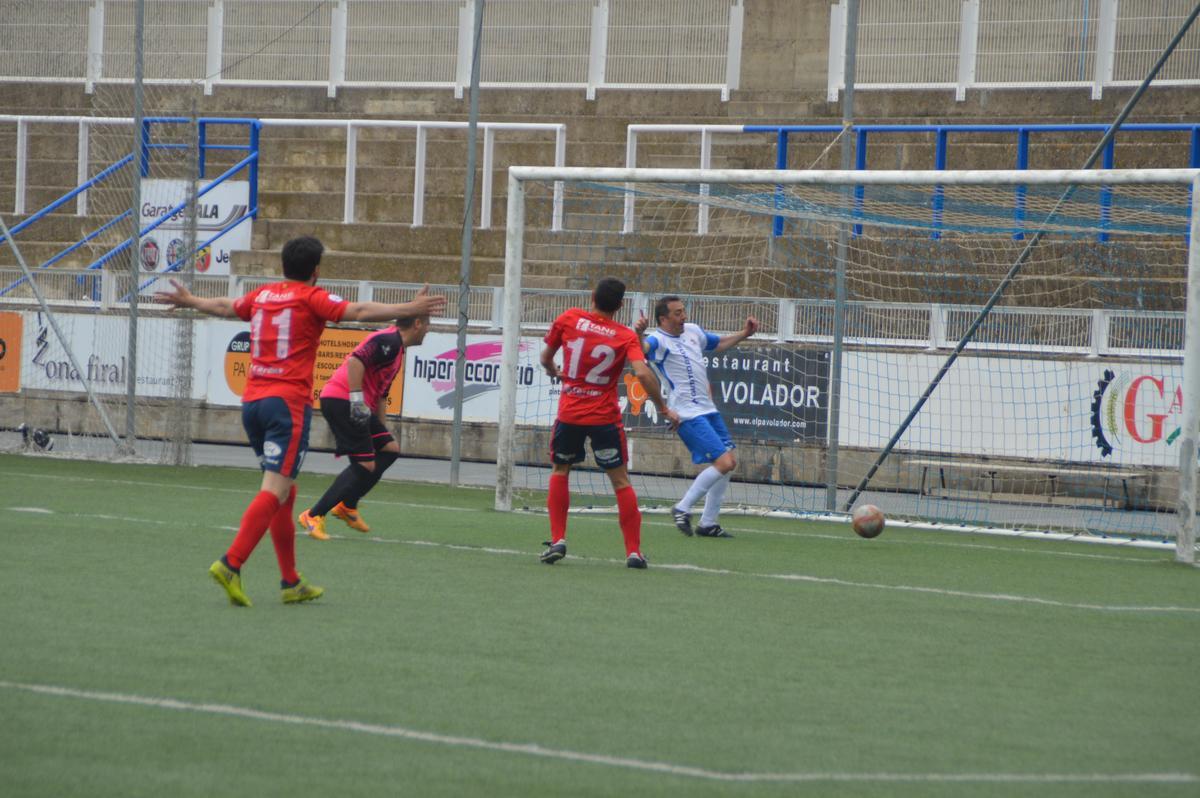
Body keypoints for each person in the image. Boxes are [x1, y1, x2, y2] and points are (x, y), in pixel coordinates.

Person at [154, 236, 446, 607]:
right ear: (316, 270)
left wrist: (191, 300)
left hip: (252, 403)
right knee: (275, 490)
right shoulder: (312, 298)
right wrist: (410, 305)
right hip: (285, 405)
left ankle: (291, 581)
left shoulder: (263, 296)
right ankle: (231, 563)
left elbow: (227, 305)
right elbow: (357, 311)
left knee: (285, 490)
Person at [539, 277, 679, 569]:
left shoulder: (569, 318)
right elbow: (641, 374)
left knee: (561, 470)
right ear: (620, 306)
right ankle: (633, 552)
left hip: (570, 415)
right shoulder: (625, 335)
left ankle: (558, 540)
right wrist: (663, 407)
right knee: (620, 481)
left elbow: (546, 357)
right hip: (604, 418)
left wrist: (553, 368)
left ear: (592, 296)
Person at [298, 313, 430, 540]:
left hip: (355, 404)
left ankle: (347, 506)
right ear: (417, 324)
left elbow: (380, 396)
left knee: (390, 450)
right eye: (427, 324)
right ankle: (313, 515)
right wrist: (357, 401)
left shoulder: (398, 351)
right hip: (343, 400)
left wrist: (382, 430)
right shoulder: (389, 340)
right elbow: (355, 361)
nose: (429, 330)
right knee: (364, 465)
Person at [635, 296, 758, 539]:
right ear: (664, 318)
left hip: (708, 410)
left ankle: (708, 523)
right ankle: (682, 508)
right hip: (686, 414)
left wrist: (745, 333)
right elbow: (641, 351)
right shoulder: (657, 340)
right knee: (725, 463)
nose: (684, 317)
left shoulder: (692, 331)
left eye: (683, 311)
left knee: (729, 461)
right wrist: (638, 333)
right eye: (678, 313)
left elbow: (719, 343)